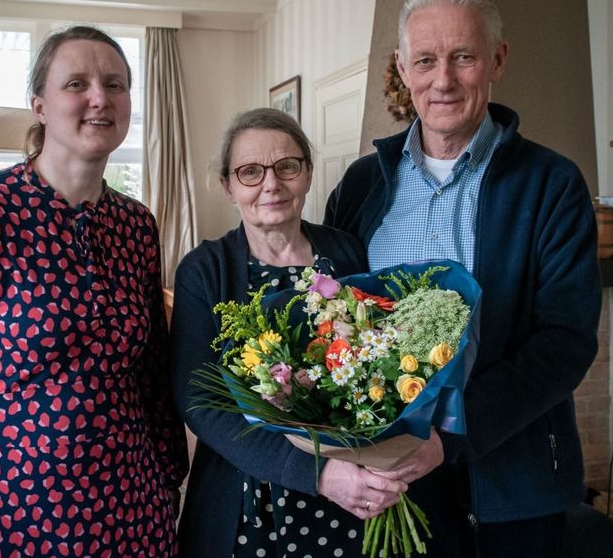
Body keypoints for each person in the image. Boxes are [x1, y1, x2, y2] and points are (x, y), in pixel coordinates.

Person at [0, 25, 188, 557]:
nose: (100, 97)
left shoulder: (136, 224)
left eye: (115, 85)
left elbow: (151, 370)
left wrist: (169, 475)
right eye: (77, 83)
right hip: (5, 508)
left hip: (131, 509)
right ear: (40, 106)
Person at [325, 0, 602, 557]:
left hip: (517, 482)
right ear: (403, 68)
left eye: (463, 57)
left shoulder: (551, 184)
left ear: (497, 59)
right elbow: (337, 322)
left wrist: (451, 433)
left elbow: (565, 342)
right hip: (393, 485)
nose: (442, 80)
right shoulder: (359, 187)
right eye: (425, 60)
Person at [170, 108, 459, 558]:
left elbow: (378, 368)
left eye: (287, 166)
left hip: (356, 494)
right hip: (252, 500)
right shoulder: (205, 270)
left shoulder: (345, 251)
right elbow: (200, 401)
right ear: (228, 186)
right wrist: (317, 473)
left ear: (306, 173)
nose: (271, 184)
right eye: (250, 172)